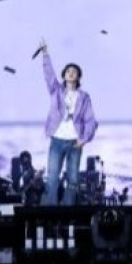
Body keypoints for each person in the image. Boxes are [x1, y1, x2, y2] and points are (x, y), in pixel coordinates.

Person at [39, 40, 97, 206]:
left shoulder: (84, 97)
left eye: (74, 71)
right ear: (64, 75)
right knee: (52, 178)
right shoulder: (56, 91)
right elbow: (49, 75)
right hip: (57, 140)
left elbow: (91, 120)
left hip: (75, 142)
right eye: (68, 71)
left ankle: (68, 211)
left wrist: (83, 139)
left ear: (78, 77)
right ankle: (50, 211)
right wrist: (45, 55)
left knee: (73, 180)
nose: (71, 73)